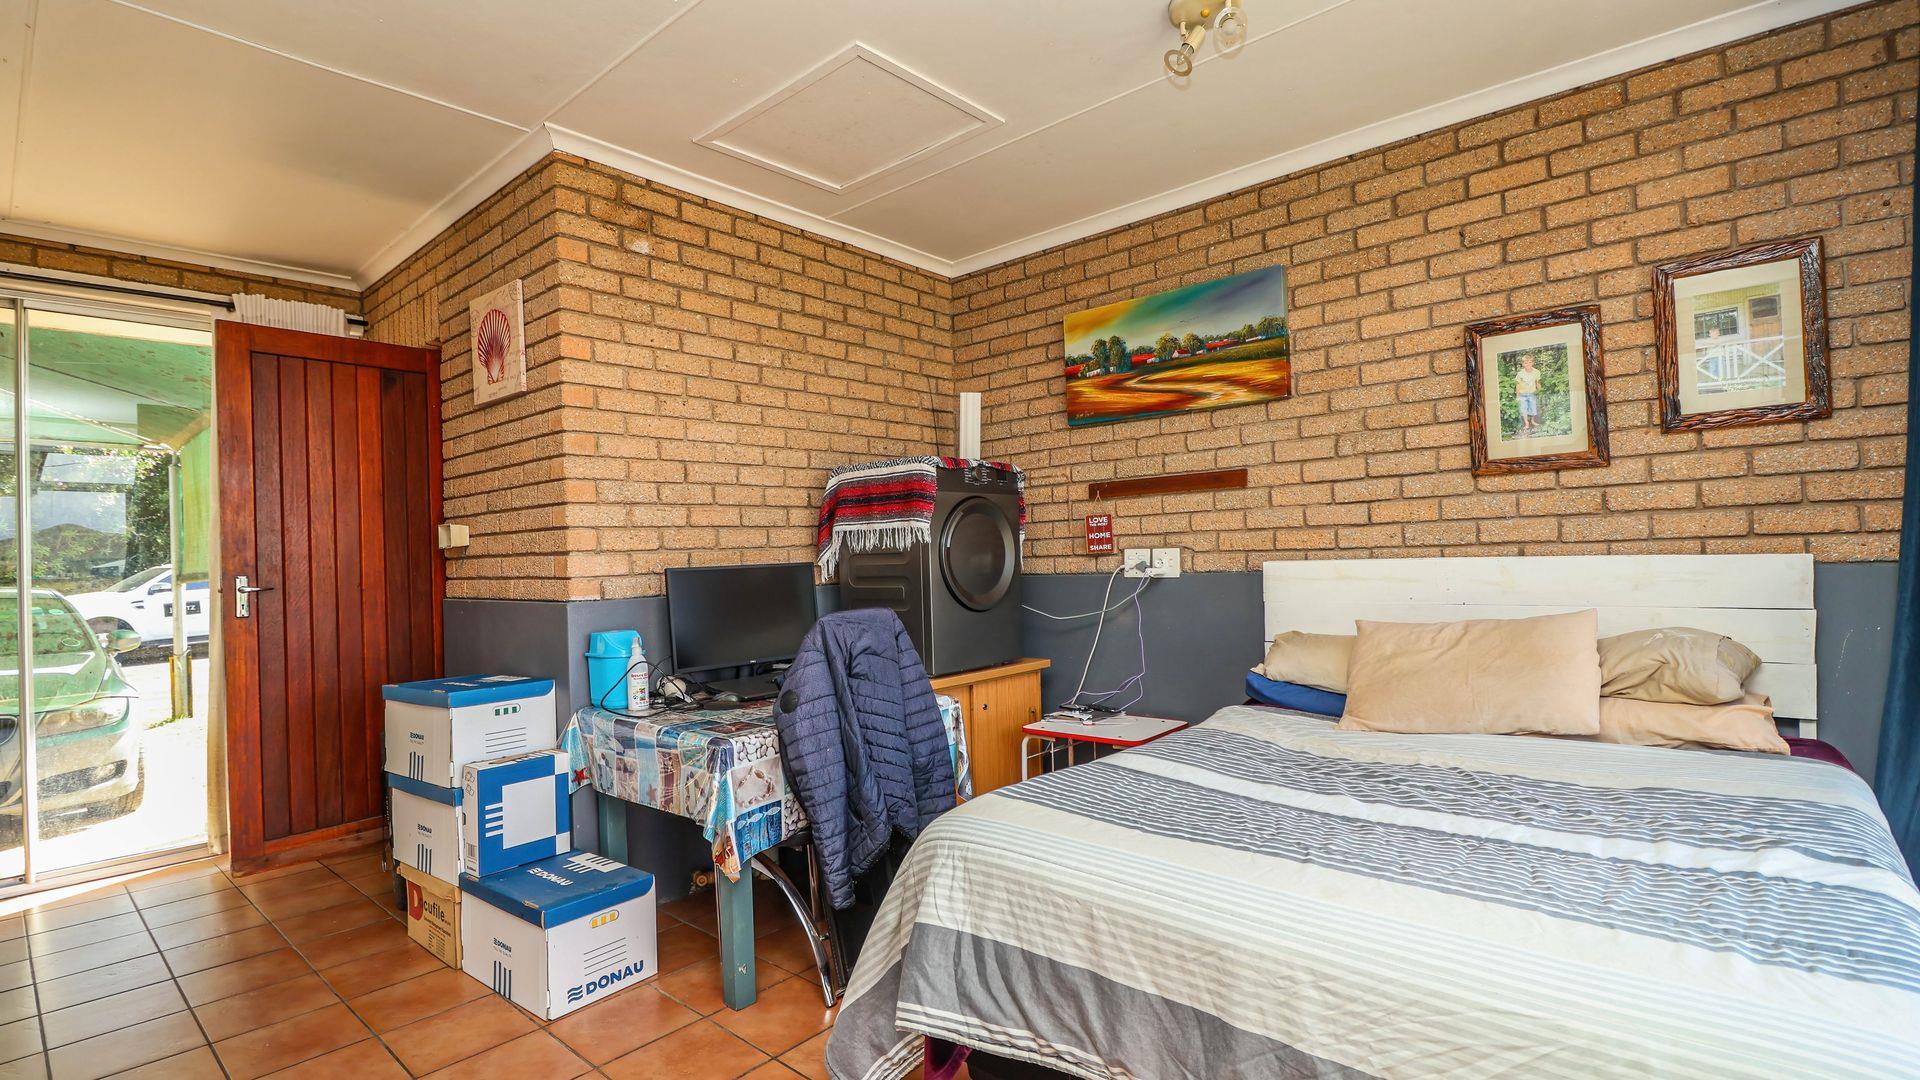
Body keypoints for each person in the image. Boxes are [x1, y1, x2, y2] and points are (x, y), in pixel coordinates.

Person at [1514, 353, 1542, 437]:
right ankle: (1526, 423)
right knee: (1523, 409)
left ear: (1533, 363)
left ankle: (1532, 420)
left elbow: (1537, 382)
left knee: (1533, 408)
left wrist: (1540, 391)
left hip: (1532, 393)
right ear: (1523, 364)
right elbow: (1518, 385)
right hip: (1522, 394)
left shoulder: (1536, 372)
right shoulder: (1520, 373)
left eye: (1530, 362)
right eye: (1526, 363)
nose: (1528, 364)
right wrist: (1517, 396)